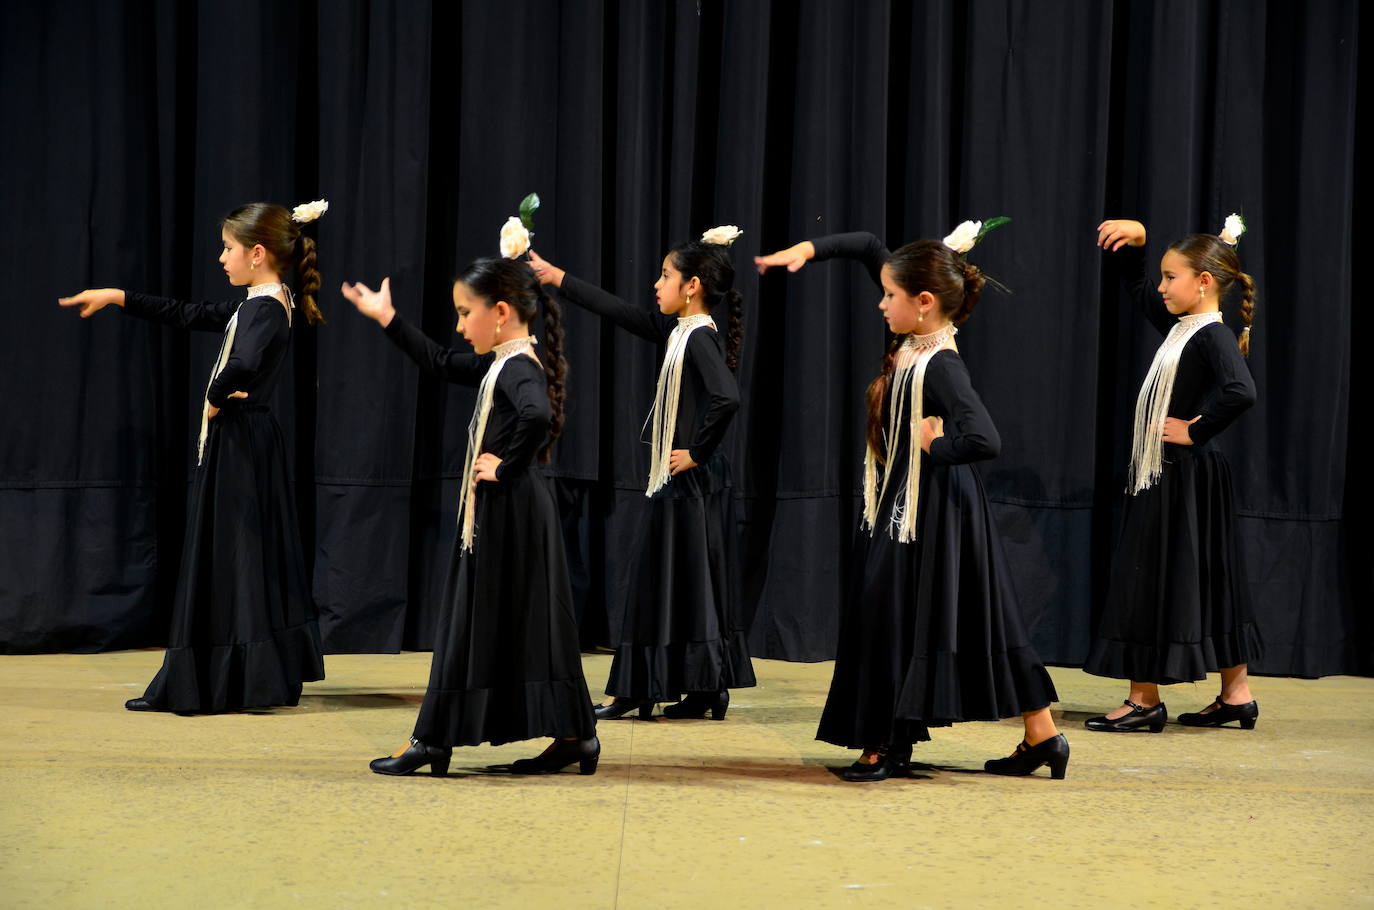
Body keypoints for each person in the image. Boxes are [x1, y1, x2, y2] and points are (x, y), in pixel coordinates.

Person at [755, 226, 1067, 781]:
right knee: (982, 619)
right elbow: (872, 246)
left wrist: (934, 444)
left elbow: (985, 439)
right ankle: (1043, 735)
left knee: (890, 616)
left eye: (889, 296)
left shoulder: (941, 364)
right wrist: (808, 250)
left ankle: (885, 743)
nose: (880, 302)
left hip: (930, 509)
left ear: (923, 304)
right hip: (915, 502)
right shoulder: (916, 341)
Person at [59, 200, 328, 714]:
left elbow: (244, 362)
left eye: (227, 249)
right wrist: (119, 296)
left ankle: (235, 678)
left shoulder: (267, 307)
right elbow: (191, 314)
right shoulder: (264, 301)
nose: (220, 258)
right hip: (248, 442)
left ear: (256, 253)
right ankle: (243, 674)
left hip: (241, 445)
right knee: (239, 556)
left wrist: (216, 395)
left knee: (236, 556)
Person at [343, 256, 598, 776]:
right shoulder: (503, 362)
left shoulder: (519, 367)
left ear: (500, 312)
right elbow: (439, 361)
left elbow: (538, 415)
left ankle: (434, 740)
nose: (459, 326)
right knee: (527, 622)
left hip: (511, 513)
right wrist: (387, 317)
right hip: (516, 514)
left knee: (473, 619)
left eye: (465, 313)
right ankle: (575, 734)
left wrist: (505, 468)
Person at [527, 227, 756, 722]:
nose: (657, 283)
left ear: (692, 285)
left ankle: (639, 689)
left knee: (663, 581)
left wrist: (696, 451)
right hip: (693, 483)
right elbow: (624, 314)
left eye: (665, 275)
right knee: (690, 584)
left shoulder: (698, 339)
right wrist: (556, 277)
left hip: (690, 480)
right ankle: (703, 687)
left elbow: (728, 397)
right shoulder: (683, 333)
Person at [1084, 216, 1260, 732]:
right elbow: (1137, 289)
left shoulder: (1210, 335)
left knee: (1150, 574)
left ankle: (1144, 700)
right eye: (1161, 276)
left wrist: (1196, 429)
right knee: (1211, 575)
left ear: (1203, 282)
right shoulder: (1184, 328)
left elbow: (1240, 391)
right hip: (1186, 476)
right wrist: (1135, 240)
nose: (1161, 287)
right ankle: (1236, 695)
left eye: (1170, 276)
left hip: (1180, 472)